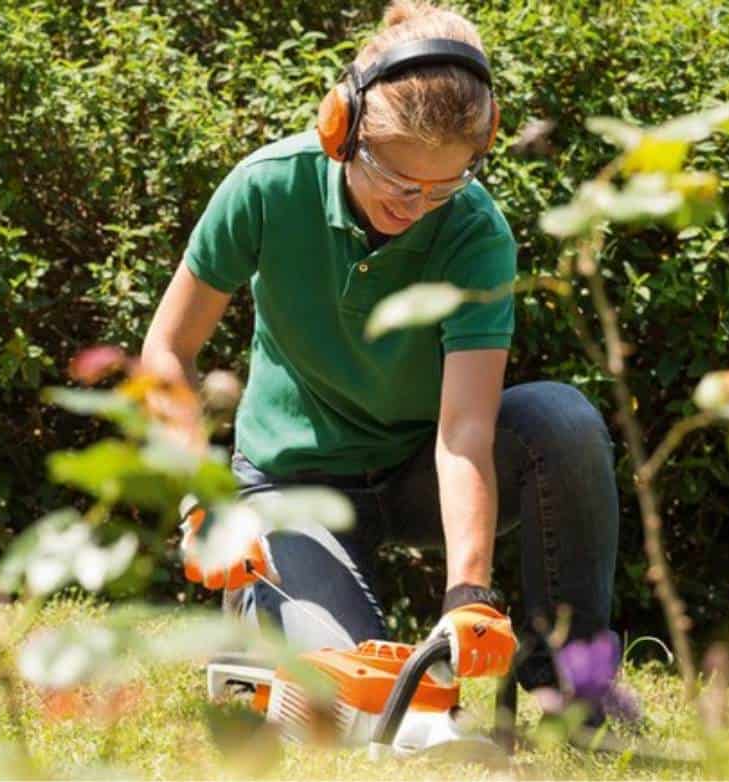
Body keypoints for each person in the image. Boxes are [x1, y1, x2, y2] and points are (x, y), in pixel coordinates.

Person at [143, 0, 619, 698]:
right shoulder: (268, 188)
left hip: (416, 470)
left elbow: (463, 433)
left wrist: (469, 594)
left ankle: (577, 691)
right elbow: (167, 350)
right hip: (293, 483)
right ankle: (262, 604)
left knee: (564, 422)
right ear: (343, 129)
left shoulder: (475, 234)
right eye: (397, 179)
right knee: (349, 692)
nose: (416, 204)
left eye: (445, 184)